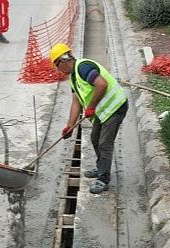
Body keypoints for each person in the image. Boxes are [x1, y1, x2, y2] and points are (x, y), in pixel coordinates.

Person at [50, 43, 128, 194]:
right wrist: (70, 127)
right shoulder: (73, 78)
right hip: (103, 111)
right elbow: (76, 102)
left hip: (116, 107)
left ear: (64, 60)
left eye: (58, 66)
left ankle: (104, 178)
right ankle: (101, 168)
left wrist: (91, 106)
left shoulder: (83, 67)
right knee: (95, 138)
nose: (59, 70)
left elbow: (102, 84)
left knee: (105, 143)